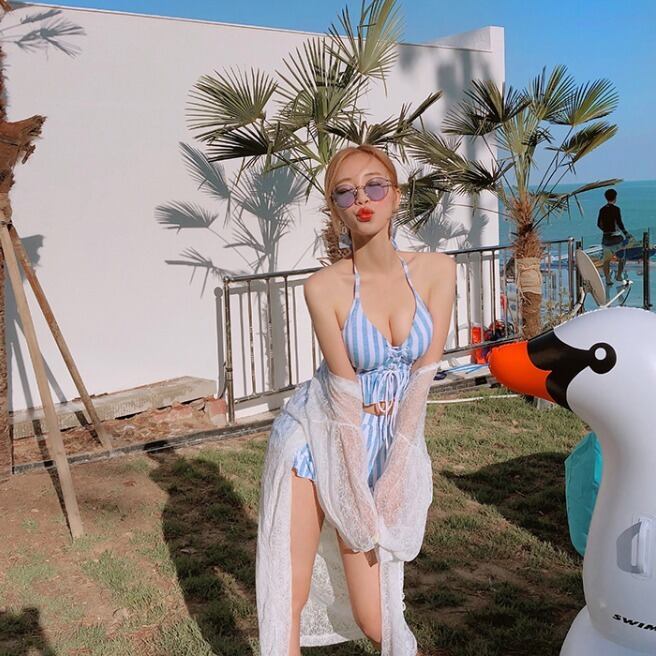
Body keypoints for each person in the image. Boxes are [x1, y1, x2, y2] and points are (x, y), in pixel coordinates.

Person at [255, 144, 456, 655]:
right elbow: (344, 399)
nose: (361, 199)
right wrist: (355, 495)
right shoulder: (323, 287)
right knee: (289, 591)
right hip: (319, 438)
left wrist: (394, 475)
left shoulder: (437, 270)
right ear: (335, 209)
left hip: (387, 442)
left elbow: (421, 383)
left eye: (374, 186)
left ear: (396, 195)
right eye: (345, 192)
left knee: (378, 617)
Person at [597, 188, 630, 285]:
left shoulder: (602, 210)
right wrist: (626, 233)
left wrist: (605, 231)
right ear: (615, 198)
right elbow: (619, 223)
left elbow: (599, 224)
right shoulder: (616, 209)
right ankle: (619, 275)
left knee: (606, 260)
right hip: (616, 239)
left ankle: (607, 279)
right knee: (622, 258)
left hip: (606, 239)